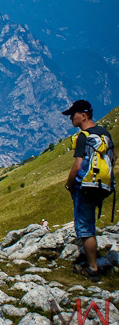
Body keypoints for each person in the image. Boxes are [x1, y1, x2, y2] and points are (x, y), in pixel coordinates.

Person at [63, 100, 115, 281]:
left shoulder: (83, 136)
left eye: (73, 114)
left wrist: (69, 184)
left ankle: (92, 267)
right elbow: (113, 157)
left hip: (84, 187)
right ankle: (93, 258)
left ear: (83, 115)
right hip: (101, 186)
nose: (70, 118)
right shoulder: (104, 133)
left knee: (84, 226)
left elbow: (77, 166)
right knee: (90, 221)